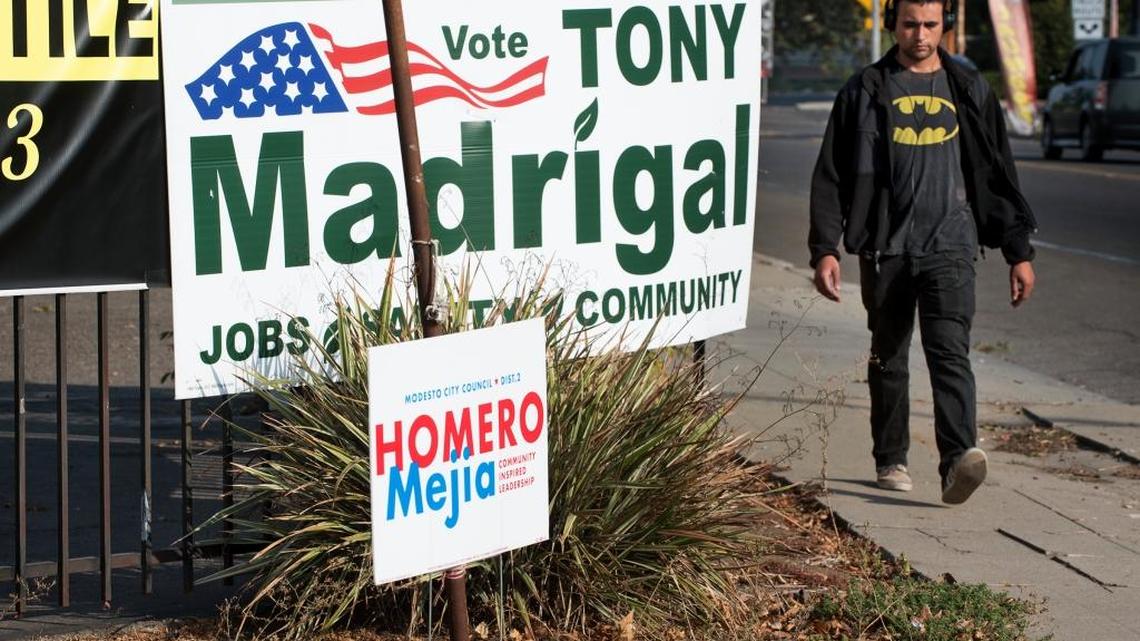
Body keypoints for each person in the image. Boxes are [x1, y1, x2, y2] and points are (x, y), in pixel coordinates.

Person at [808, 0, 1037, 504]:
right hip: (885, 249)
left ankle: (958, 460)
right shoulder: (864, 90)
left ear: (945, 26)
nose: (920, 35)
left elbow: (997, 175)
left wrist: (1017, 251)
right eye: (910, 24)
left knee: (950, 354)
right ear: (893, 23)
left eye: (930, 25)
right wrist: (826, 248)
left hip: (951, 247)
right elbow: (831, 175)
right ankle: (890, 457)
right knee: (888, 356)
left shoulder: (970, 89)